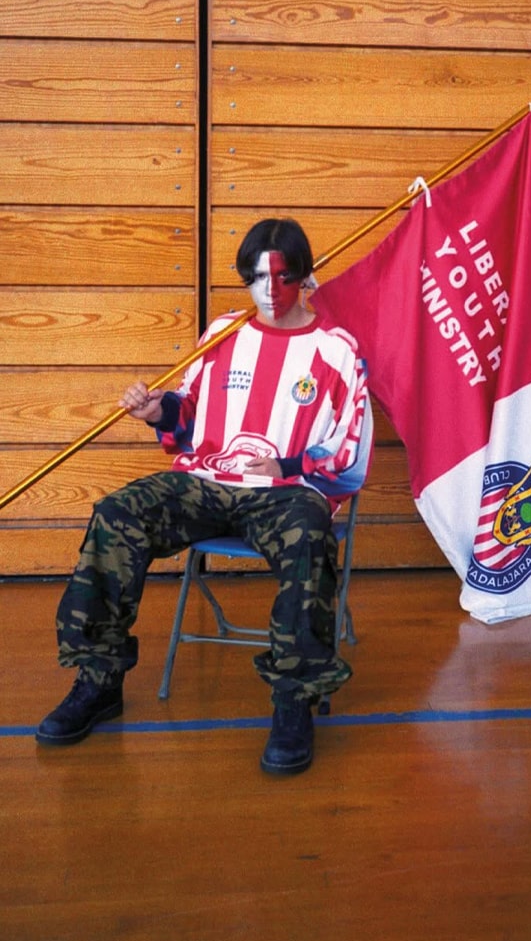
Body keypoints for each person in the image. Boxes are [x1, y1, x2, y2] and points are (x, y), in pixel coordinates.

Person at [36, 217, 373, 775]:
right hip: (207, 482)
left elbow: (351, 449)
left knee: (308, 538)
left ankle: (295, 700)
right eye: (257, 278)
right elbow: (187, 416)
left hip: (284, 493)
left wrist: (289, 465)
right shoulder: (222, 334)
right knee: (118, 513)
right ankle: (99, 679)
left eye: (283, 277)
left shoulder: (335, 349)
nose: (270, 291)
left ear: (304, 276)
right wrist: (158, 411)